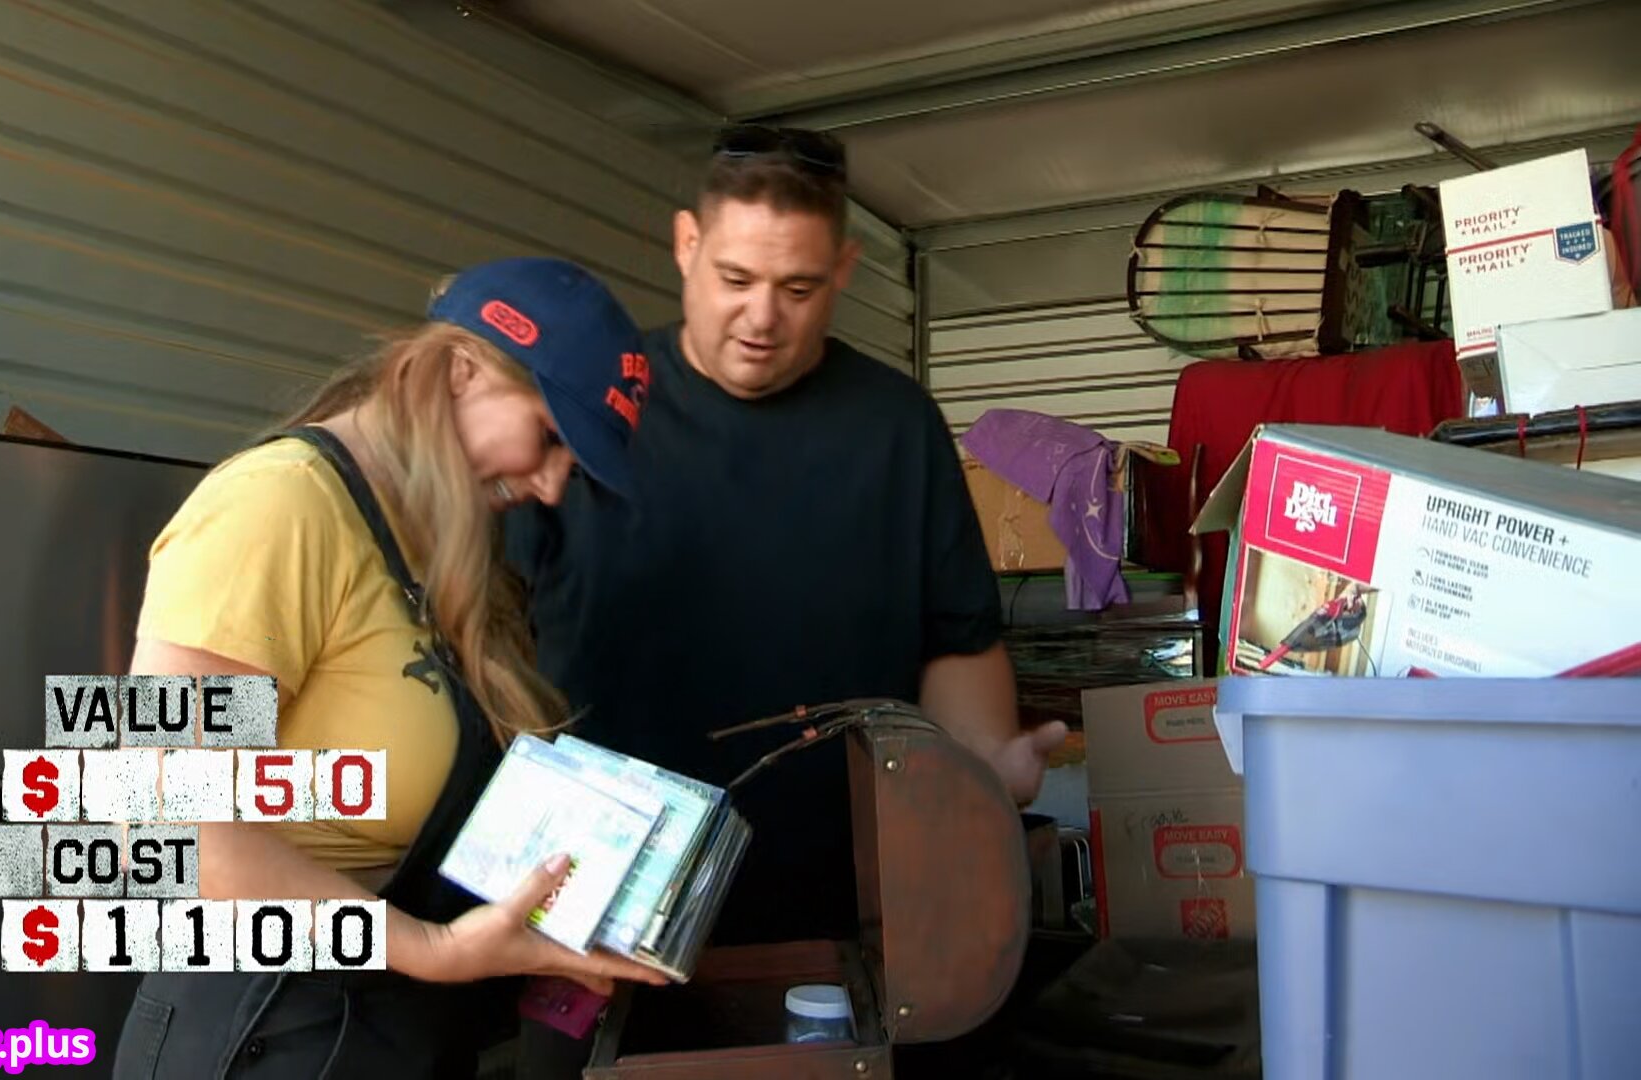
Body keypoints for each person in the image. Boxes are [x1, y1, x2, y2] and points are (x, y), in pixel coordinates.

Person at [504, 125, 1069, 1074]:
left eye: (798, 288)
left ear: (842, 269)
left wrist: (979, 773)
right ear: (686, 244)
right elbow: (491, 641)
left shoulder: (896, 426)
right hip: (596, 917)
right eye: (735, 278)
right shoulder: (590, 408)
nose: (761, 317)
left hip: (841, 919)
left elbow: (958, 639)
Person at [110, 257, 669, 1080]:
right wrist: (429, 947)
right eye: (549, 437)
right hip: (263, 1034)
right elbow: (151, 821)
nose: (554, 487)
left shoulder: (423, 542)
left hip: (385, 1034)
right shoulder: (279, 505)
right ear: (461, 369)